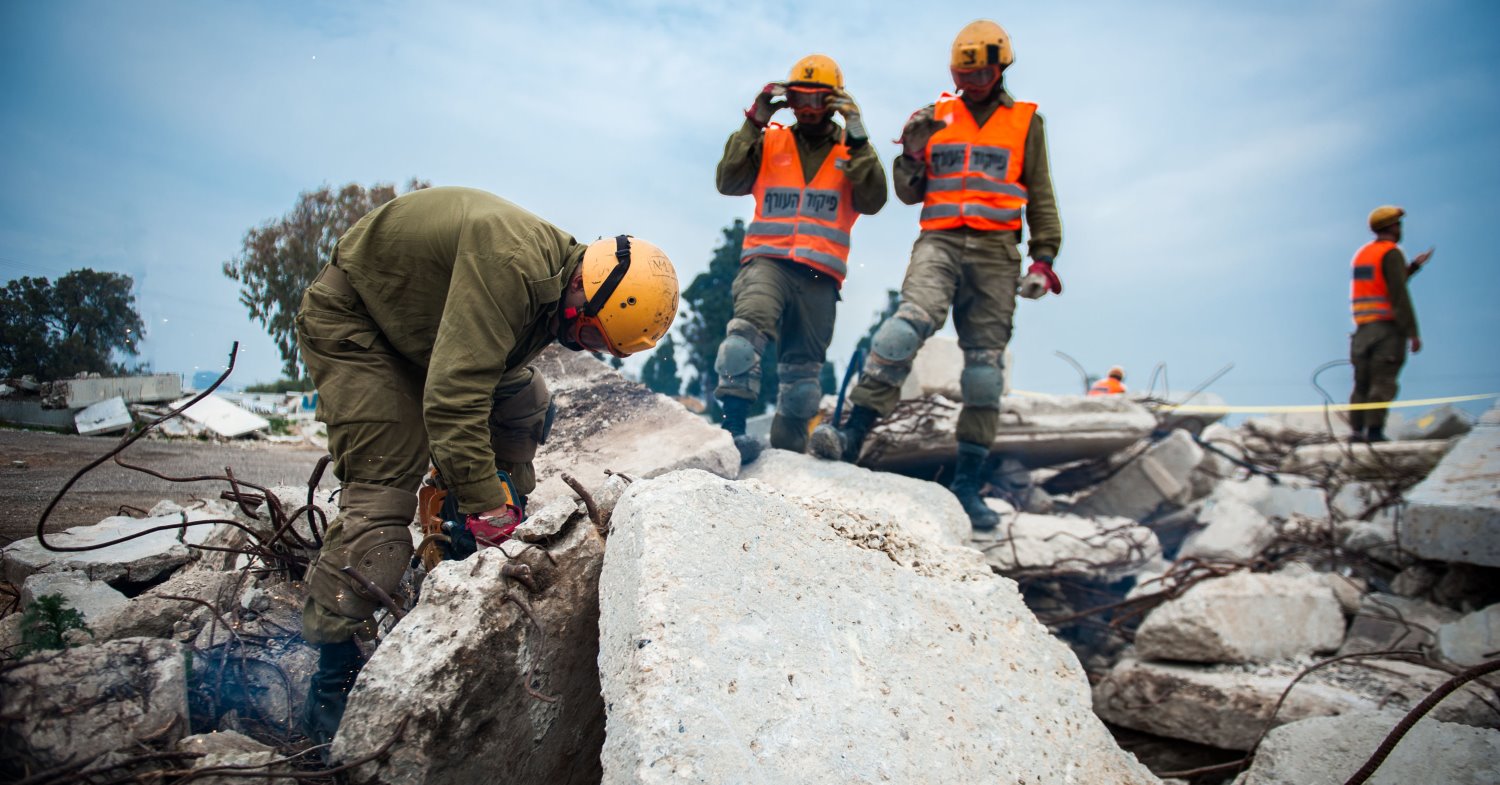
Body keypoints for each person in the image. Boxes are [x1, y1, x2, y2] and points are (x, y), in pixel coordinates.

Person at [295, 186, 679, 745]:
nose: (585, 345)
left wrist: (494, 501)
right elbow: (452, 399)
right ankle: (330, 689)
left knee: (526, 401)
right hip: (362, 327)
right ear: (586, 290)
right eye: (593, 332)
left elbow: (477, 379)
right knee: (380, 503)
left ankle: (459, 549)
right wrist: (485, 504)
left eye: (602, 346)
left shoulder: (558, 290)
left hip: (427, 337)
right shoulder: (514, 268)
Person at [809, 20, 1063, 532]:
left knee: (985, 370)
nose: (971, 81)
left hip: (996, 252)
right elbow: (908, 191)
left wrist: (1043, 258)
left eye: (982, 72)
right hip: (940, 240)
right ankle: (854, 430)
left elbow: (1041, 194)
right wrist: (913, 152)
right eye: (963, 72)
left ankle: (967, 484)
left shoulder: (1025, 123)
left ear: (1000, 69)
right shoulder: (934, 116)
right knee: (907, 325)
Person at [713, 54, 888, 462]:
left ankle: (787, 460)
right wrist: (753, 121)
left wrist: (859, 134)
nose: (808, 109)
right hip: (767, 262)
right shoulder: (770, 140)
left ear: (836, 102)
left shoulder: (852, 149)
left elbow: (875, 199)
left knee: (804, 381)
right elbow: (728, 181)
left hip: (819, 276)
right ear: (788, 100)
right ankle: (732, 433)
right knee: (744, 336)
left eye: (819, 99)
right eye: (800, 99)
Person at [1349, 205, 1432, 442]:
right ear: (1392, 227)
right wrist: (1413, 333)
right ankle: (1374, 432)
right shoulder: (1391, 253)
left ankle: (1356, 432)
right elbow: (1398, 295)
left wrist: (1413, 268)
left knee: (1361, 384)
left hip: (1362, 330)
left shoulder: (1364, 254)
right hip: (1386, 330)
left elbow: (1379, 285)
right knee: (1382, 382)